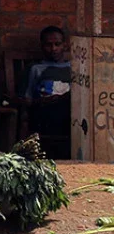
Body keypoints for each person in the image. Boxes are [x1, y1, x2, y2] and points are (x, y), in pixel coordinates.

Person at [22, 26, 72, 157]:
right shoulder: (36, 69)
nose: (53, 49)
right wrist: (40, 101)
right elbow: (26, 99)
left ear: (65, 45)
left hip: (70, 113)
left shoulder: (73, 68)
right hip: (45, 113)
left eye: (57, 44)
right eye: (48, 45)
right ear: (42, 46)